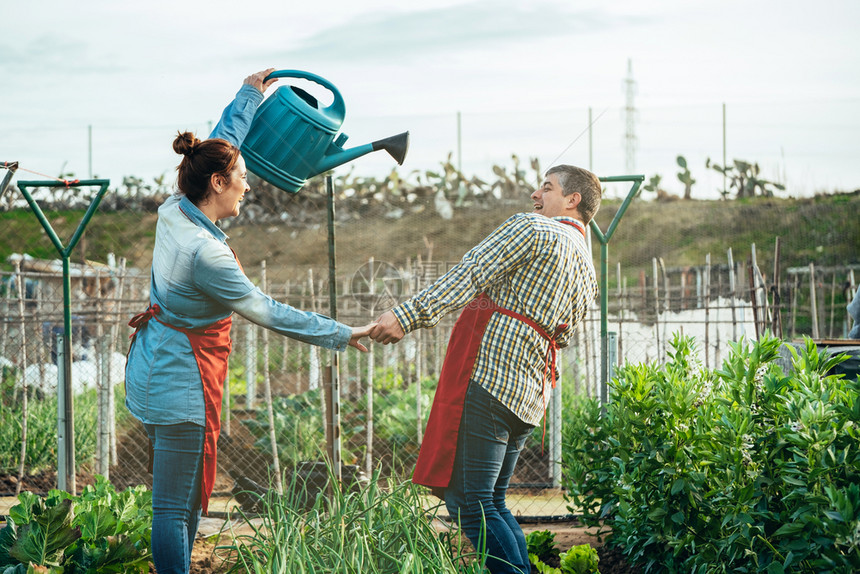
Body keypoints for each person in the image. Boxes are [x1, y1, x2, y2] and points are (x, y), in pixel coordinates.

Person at [124, 69, 375, 574]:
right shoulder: (207, 256)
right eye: (241, 177)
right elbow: (269, 311)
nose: (247, 185)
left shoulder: (176, 209)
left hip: (153, 368)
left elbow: (222, 143)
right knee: (175, 507)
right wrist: (343, 333)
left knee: (186, 499)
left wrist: (249, 95)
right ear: (218, 183)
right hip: (180, 382)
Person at [370, 165, 601, 574]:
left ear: (572, 200)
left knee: (470, 504)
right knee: (491, 501)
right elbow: (563, 336)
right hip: (529, 396)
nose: (535, 195)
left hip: (491, 380)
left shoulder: (534, 229)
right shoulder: (587, 267)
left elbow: (471, 274)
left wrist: (406, 316)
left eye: (546, 188)